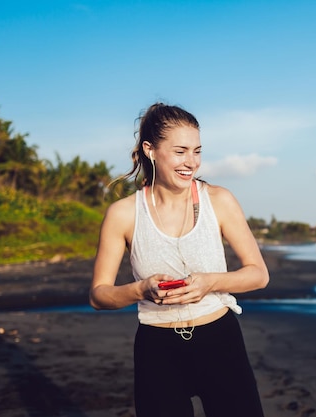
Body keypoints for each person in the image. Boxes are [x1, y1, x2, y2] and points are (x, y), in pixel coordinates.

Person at [90, 102, 269, 417]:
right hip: (157, 348)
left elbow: (258, 274)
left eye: (197, 152)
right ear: (151, 150)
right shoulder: (123, 214)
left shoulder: (219, 200)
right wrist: (141, 289)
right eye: (180, 151)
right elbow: (98, 295)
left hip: (220, 340)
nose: (191, 163)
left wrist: (210, 282)